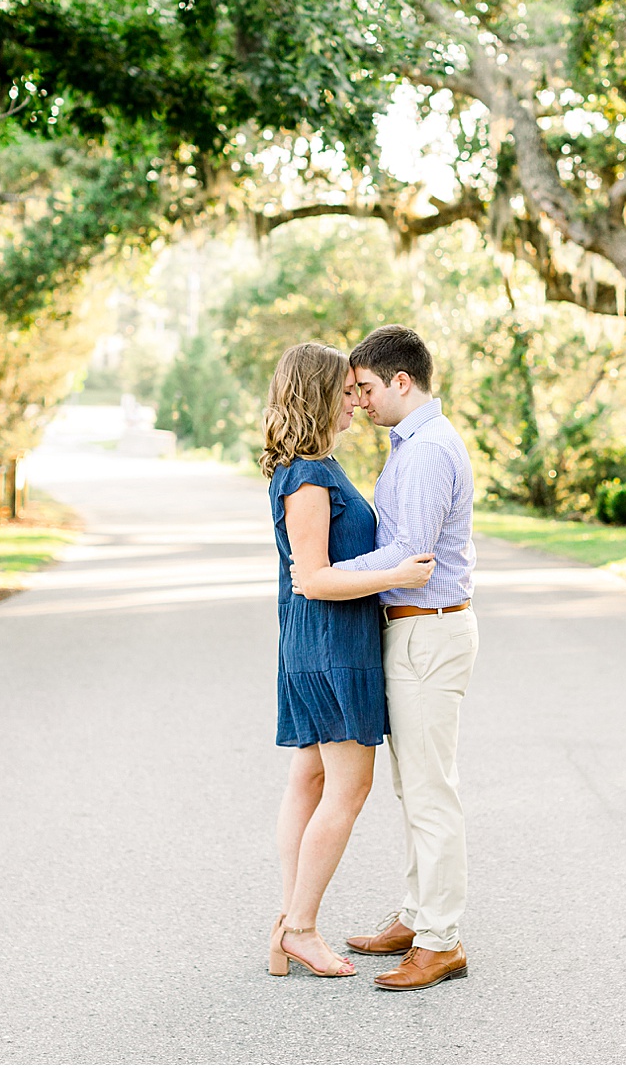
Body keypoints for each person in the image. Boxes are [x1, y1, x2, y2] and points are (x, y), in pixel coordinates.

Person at [292, 324, 478, 993]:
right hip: (412, 630)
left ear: (403, 381)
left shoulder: (426, 451)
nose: (360, 400)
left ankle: (440, 941)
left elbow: (409, 555)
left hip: (427, 630)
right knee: (414, 787)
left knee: (430, 791)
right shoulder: (412, 445)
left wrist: (322, 574)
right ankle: (416, 914)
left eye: (367, 387)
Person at [261, 342, 436, 979]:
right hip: (333, 644)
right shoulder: (309, 477)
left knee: (310, 778)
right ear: (317, 396)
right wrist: (396, 574)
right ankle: (301, 927)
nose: (356, 403)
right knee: (349, 787)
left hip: (319, 640)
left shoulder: (314, 467)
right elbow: (313, 578)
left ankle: (288, 922)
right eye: (344, 392)